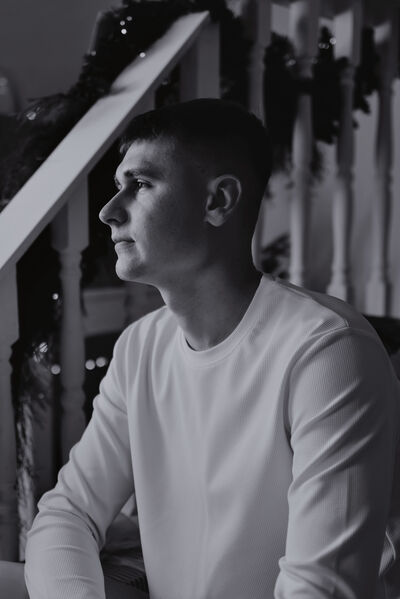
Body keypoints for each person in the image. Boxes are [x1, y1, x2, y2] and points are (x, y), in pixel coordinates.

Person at [24, 99, 400, 599]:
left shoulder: (328, 350)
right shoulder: (140, 347)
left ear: (218, 201)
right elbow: (67, 511)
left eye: (140, 184)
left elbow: (320, 592)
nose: (108, 211)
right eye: (118, 186)